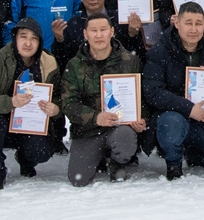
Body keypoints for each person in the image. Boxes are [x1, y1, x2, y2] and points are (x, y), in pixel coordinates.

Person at [142, 2, 204, 182]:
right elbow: (153, 92)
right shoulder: (160, 51)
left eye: (198, 23)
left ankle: (195, 155)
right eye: (188, 23)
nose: (193, 29)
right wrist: (189, 108)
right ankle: (173, 162)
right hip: (173, 117)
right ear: (177, 23)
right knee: (171, 121)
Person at [0, 17, 61, 190]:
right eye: (23, 37)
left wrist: (56, 108)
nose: (28, 43)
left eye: (34, 38)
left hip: (31, 123)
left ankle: (26, 159)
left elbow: (59, 96)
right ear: (15, 38)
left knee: (41, 151)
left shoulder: (48, 62)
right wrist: (10, 102)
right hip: (1, 122)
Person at [62, 13, 146, 186]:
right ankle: (98, 157)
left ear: (112, 32)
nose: (99, 35)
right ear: (85, 34)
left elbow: (143, 97)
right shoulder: (75, 65)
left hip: (120, 126)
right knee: (78, 179)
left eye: (103, 30)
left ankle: (117, 161)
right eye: (94, 31)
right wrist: (96, 117)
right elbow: (69, 104)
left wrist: (142, 117)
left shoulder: (130, 61)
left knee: (125, 139)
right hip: (88, 130)